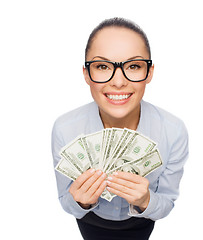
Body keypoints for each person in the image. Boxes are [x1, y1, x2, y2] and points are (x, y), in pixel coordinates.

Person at [52, 17, 189, 240]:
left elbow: (166, 203)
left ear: (150, 72)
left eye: (133, 66)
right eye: (102, 66)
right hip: (90, 222)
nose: (118, 82)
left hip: (140, 224)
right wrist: (81, 201)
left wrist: (146, 201)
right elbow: (66, 203)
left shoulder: (173, 131)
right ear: (86, 74)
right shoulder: (65, 129)